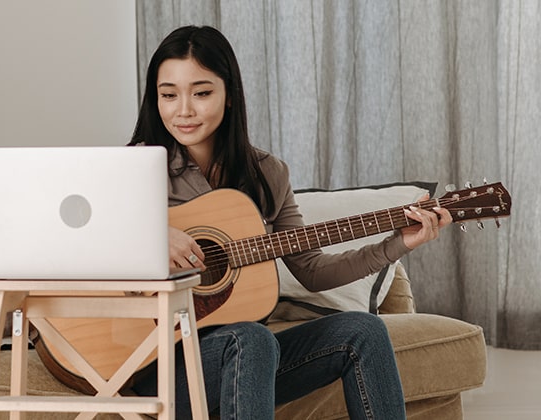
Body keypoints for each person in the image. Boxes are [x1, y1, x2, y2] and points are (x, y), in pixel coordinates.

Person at [127, 25, 452, 419]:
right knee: (252, 337)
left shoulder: (268, 173)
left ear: (229, 95)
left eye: (201, 92)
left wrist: (397, 244)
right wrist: (154, 234)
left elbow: (312, 270)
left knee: (363, 331)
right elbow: (76, 240)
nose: (183, 110)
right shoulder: (132, 170)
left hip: (248, 360)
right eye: (168, 95)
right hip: (153, 361)